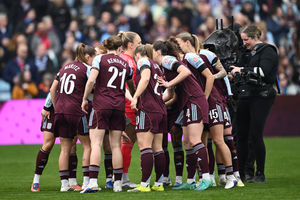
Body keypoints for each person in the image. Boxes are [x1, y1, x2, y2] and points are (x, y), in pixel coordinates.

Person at [174, 33, 238, 189]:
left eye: (179, 43)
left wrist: (204, 97)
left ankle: (231, 176)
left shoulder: (197, 56)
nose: (178, 47)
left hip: (212, 101)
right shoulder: (185, 58)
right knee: (200, 142)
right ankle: (206, 177)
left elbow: (212, 76)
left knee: (218, 140)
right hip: (200, 102)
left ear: (187, 42)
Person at [152, 40, 211, 191]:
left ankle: (206, 178)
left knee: (195, 139)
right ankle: (190, 181)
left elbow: (186, 72)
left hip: (194, 101)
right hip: (186, 104)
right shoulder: (164, 67)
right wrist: (155, 103)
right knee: (188, 144)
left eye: (153, 50)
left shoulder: (166, 59)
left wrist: (168, 83)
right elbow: (171, 94)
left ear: (158, 51)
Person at [80, 35, 133, 193]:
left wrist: (84, 99)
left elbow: (91, 80)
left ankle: (93, 182)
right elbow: (128, 84)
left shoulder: (99, 59)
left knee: (95, 143)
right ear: (119, 48)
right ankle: (117, 184)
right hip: (119, 106)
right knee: (116, 145)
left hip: (101, 105)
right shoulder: (125, 63)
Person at [230, 24, 279, 183]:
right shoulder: (247, 52)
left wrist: (241, 70)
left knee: (255, 135)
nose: (244, 43)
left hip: (262, 96)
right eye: (242, 40)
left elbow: (263, 72)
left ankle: (260, 173)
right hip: (246, 94)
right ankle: (242, 173)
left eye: (246, 39)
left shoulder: (268, 50)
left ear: (255, 37)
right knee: (241, 136)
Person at [50, 43, 96, 192]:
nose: (94, 61)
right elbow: (93, 84)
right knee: (87, 145)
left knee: (65, 149)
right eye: (93, 58)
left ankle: (64, 185)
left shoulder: (64, 68)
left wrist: (56, 106)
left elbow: (52, 88)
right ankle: (87, 182)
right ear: (87, 56)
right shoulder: (87, 69)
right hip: (76, 110)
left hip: (60, 110)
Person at [127, 44, 167, 192]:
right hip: (160, 109)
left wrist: (135, 97)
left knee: (145, 147)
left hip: (147, 109)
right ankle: (159, 183)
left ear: (137, 55)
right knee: (158, 148)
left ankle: (144, 185)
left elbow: (145, 79)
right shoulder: (156, 65)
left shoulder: (143, 61)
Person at [117, 31, 141, 188]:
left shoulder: (121, 59)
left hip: (120, 104)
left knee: (118, 142)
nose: (141, 45)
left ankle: (116, 177)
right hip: (128, 106)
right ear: (130, 45)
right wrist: (134, 101)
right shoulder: (130, 62)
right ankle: (123, 178)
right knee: (127, 141)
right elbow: (127, 86)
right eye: (139, 42)